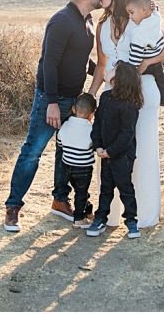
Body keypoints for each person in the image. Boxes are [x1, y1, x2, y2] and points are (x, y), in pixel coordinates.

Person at [3, 0, 100, 233]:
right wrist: (53, 103)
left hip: (73, 98)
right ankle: (13, 207)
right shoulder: (61, 21)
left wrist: (101, 72)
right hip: (51, 99)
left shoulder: (87, 21)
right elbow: (48, 63)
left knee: (65, 151)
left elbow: (80, 59)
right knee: (33, 151)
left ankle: (60, 200)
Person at [89, 0, 164, 231]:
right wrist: (91, 95)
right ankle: (111, 215)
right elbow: (102, 64)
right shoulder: (103, 25)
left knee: (144, 150)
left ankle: (145, 215)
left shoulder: (140, 19)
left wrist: (147, 64)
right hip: (112, 92)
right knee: (110, 149)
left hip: (143, 89)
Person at [86, 61, 143, 238]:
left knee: (125, 188)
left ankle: (131, 221)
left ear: (120, 79)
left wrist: (111, 151)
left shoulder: (130, 105)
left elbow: (127, 134)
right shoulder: (105, 97)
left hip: (122, 156)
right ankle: (100, 218)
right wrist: (98, 146)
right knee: (106, 188)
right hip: (104, 153)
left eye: (114, 70)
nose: (109, 71)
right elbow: (98, 123)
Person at [124, 0, 164, 121]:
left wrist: (132, 69)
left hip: (144, 64)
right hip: (156, 62)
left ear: (144, 9)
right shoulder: (156, 18)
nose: (130, 17)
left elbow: (135, 56)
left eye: (131, 12)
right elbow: (156, 10)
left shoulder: (139, 32)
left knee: (134, 84)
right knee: (162, 82)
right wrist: (154, 6)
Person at [55, 92, 98, 228]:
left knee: (79, 191)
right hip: (83, 167)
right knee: (81, 192)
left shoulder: (65, 125)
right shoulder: (91, 129)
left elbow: (60, 142)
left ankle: (87, 210)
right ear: (92, 114)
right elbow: (94, 146)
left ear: (73, 109)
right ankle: (78, 218)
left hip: (67, 165)